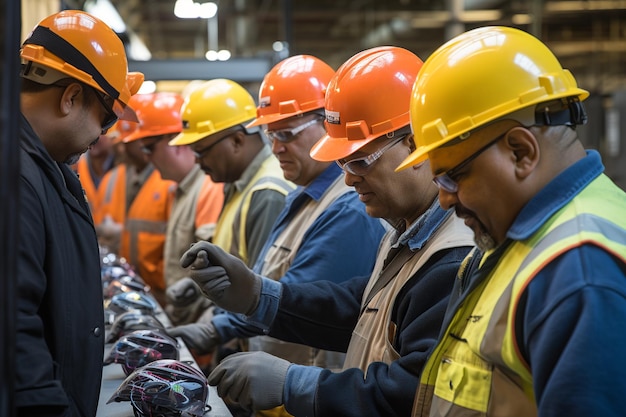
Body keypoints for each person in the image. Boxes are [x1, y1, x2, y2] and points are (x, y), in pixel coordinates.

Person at [177, 46, 475, 417]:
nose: (348, 178)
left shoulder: (453, 257)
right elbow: (361, 309)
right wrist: (260, 296)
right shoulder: (408, 228)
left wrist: (296, 384)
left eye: (360, 160)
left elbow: (413, 390)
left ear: (415, 145)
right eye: (341, 162)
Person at [394, 26, 626, 417]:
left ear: (520, 151)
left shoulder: (579, 275)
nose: (445, 198)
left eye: (454, 176)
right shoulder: (523, 239)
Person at [167, 55, 386, 417]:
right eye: (271, 134)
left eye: (287, 133)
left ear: (328, 125)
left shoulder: (347, 209)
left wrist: (224, 322)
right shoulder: (302, 196)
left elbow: (316, 305)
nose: (276, 146)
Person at [17, 10, 143, 417]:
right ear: (70, 96)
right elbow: (15, 335)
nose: (103, 135)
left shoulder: (43, 166)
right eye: (106, 119)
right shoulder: (16, 178)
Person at [168, 78, 296, 268]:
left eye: (201, 151)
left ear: (237, 141)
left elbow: (261, 290)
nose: (196, 160)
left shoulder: (267, 194)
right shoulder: (238, 184)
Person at [128, 91, 224, 325]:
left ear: (178, 141)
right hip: (182, 318)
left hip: (198, 325)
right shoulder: (181, 189)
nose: (147, 157)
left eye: (150, 147)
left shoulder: (208, 189)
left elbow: (215, 273)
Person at [94, 93, 177, 306]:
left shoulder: (169, 181)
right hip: (128, 286)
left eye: (127, 143)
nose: (120, 148)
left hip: (166, 294)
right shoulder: (114, 178)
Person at [71, 128, 117, 213]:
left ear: (113, 137)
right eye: (92, 130)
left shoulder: (123, 169)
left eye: (102, 133)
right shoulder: (73, 167)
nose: (95, 137)